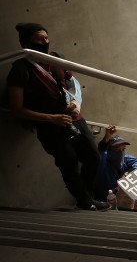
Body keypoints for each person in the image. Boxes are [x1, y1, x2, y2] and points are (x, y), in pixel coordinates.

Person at [6, 23, 107, 210]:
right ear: (26, 42)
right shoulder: (20, 70)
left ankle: (87, 196)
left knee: (93, 156)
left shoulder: (56, 58)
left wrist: (76, 102)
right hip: (48, 125)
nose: (45, 42)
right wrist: (51, 118)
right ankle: (85, 201)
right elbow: (17, 109)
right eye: (39, 39)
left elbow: (72, 82)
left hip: (73, 118)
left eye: (46, 38)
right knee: (67, 161)